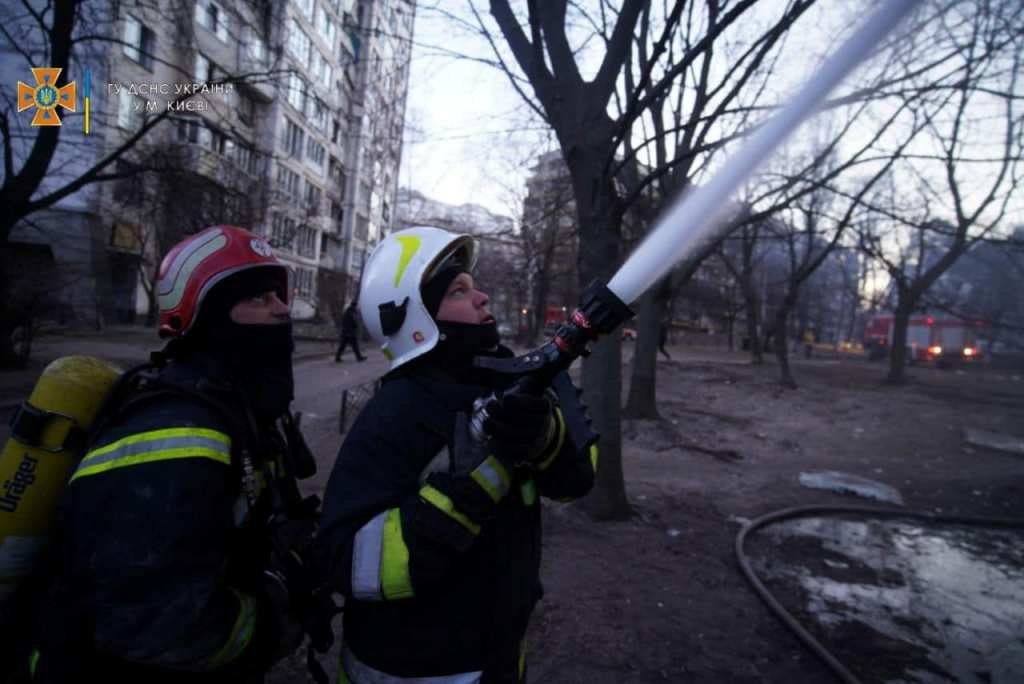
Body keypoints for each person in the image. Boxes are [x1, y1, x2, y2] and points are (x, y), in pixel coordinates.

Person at [314, 226, 597, 683]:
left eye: (474, 284)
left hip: (498, 658)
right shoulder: (396, 414)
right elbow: (346, 564)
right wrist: (460, 495)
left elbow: (577, 482)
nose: (482, 297)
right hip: (411, 670)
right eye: (459, 291)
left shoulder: (505, 386)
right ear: (418, 320)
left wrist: (546, 436)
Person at [30, 226, 312, 682]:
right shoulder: (175, 434)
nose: (283, 310)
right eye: (259, 298)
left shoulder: (235, 408)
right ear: (209, 320)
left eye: (278, 295)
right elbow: (158, 626)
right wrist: (274, 618)